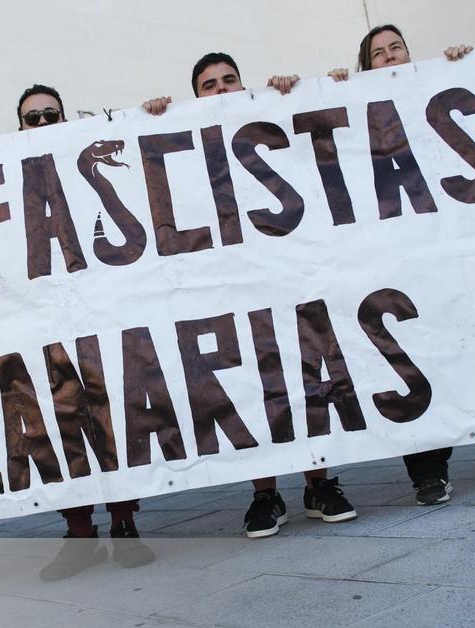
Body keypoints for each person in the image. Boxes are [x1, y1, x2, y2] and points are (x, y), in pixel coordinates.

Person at [329, 25, 475, 504]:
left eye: (397, 48)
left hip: (452, 250)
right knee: (416, 355)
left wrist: (463, 66)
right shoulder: (355, 108)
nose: (390, 57)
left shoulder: (431, 89)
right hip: (399, 257)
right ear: (366, 66)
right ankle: (428, 470)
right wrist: (330, 90)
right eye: (378, 53)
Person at [143, 53, 358, 538]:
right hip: (230, 284)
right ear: (196, 97)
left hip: (284, 274)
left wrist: (300, 92)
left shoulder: (268, 121)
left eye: (229, 80)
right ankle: (265, 492)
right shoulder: (185, 140)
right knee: (248, 382)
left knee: (305, 372)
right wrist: (155, 118)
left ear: (244, 85)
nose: (221, 90)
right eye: (209, 85)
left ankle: (318, 483)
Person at [12, 83, 158, 578]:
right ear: (18, 127)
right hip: (42, 323)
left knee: (109, 417)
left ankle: (124, 523)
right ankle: (79, 532)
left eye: (50, 115)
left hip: (96, 317)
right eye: (32, 117)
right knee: (56, 423)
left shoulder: (83, 169)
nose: (42, 123)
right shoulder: (7, 171)